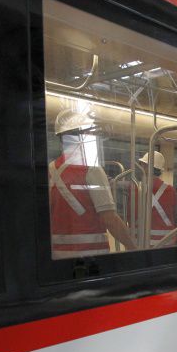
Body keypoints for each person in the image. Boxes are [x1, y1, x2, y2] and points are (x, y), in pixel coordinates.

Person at [49, 109, 137, 259]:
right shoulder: (92, 170)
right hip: (91, 258)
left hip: (57, 258)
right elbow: (110, 219)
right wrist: (134, 248)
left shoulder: (50, 170)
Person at [137, 151, 177, 247]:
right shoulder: (170, 190)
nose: (141, 167)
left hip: (139, 247)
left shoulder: (134, 189)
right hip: (166, 248)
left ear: (146, 167)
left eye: (142, 165)